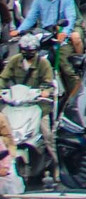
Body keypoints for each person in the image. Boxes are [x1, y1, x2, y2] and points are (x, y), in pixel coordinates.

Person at [10, 0, 82, 96]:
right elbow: (31, 18)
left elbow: (70, 19)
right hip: (45, 35)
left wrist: (64, 33)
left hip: (60, 37)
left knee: (66, 67)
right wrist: (19, 30)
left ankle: (75, 95)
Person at [0, 33, 56, 172]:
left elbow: (48, 83)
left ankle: (57, 166)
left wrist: (45, 91)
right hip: (16, 104)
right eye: (25, 50)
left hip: (37, 105)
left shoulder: (43, 63)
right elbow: (3, 78)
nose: (28, 53)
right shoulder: (14, 61)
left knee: (48, 135)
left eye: (31, 51)